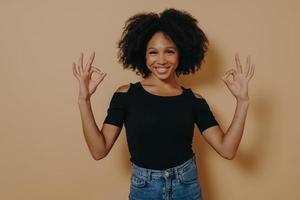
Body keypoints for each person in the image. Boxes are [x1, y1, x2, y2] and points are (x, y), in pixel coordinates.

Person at [72, 8, 255, 200]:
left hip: (187, 186)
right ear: (143, 55)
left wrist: (243, 102)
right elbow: (99, 151)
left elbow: (227, 150)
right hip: (144, 189)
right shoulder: (126, 95)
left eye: (169, 51)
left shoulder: (194, 100)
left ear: (181, 54)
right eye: (153, 52)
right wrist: (83, 100)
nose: (161, 60)